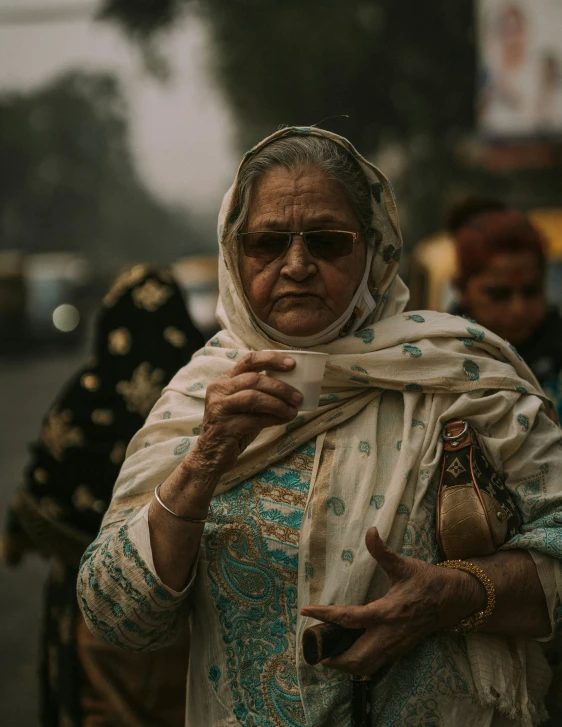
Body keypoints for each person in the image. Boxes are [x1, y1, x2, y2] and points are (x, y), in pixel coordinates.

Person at [77, 127, 562, 727]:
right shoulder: (198, 397)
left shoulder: (461, 376)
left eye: (329, 242)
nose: (298, 265)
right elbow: (117, 614)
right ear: (235, 254)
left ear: (373, 251)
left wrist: (458, 595)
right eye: (268, 243)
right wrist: (206, 459)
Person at [2, 264, 204, 726]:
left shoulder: (88, 394)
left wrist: (20, 537)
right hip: (182, 600)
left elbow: (42, 485)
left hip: (93, 606)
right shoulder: (204, 392)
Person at [448, 198, 562, 418]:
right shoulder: (439, 363)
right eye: (499, 295)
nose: (518, 310)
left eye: (531, 291)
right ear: (462, 290)